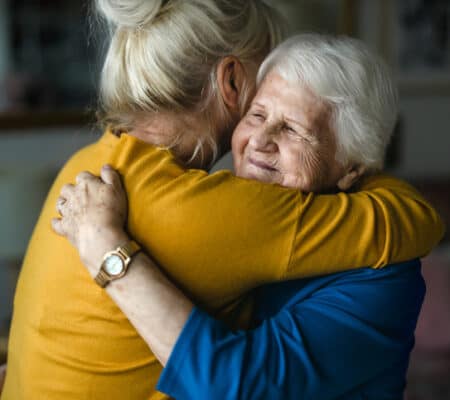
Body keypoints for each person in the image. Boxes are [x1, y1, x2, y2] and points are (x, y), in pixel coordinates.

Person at [1, 3, 443, 400]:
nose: (260, 141)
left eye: (293, 130)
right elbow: (414, 220)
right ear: (231, 80)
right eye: (256, 112)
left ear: (351, 168)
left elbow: (236, 384)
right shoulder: (214, 210)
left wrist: (106, 249)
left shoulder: (84, 166)